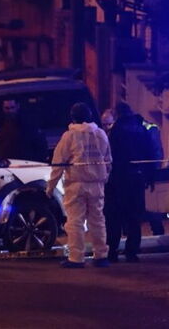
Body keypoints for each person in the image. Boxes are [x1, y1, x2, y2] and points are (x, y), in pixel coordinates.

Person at [46, 103, 112, 268]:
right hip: (97, 184)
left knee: (75, 221)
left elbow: (58, 163)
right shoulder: (101, 134)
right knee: (97, 220)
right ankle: (101, 255)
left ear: (73, 117)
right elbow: (108, 160)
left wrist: (51, 187)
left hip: (76, 184)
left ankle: (76, 258)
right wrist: (105, 178)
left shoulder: (69, 137)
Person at [104, 102, 153, 263]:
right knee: (134, 216)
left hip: (119, 178)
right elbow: (150, 153)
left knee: (114, 216)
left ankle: (112, 251)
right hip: (137, 177)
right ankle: (132, 251)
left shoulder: (116, 130)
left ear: (117, 114)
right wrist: (150, 176)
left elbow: (110, 154)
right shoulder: (141, 129)